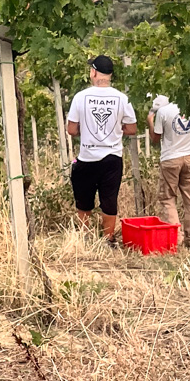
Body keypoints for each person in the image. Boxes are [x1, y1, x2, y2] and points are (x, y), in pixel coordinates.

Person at [66, 55, 138, 242]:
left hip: (87, 156)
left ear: (94, 72)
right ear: (110, 74)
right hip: (112, 157)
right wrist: (115, 130)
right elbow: (131, 128)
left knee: (84, 200)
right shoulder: (122, 98)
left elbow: (71, 130)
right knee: (109, 199)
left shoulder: (80, 97)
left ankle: (84, 237)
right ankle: (109, 239)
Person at [148, 93, 190, 248]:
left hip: (170, 159)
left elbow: (155, 138)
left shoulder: (164, 111)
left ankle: (173, 241)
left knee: (167, 199)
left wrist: (150, 120)